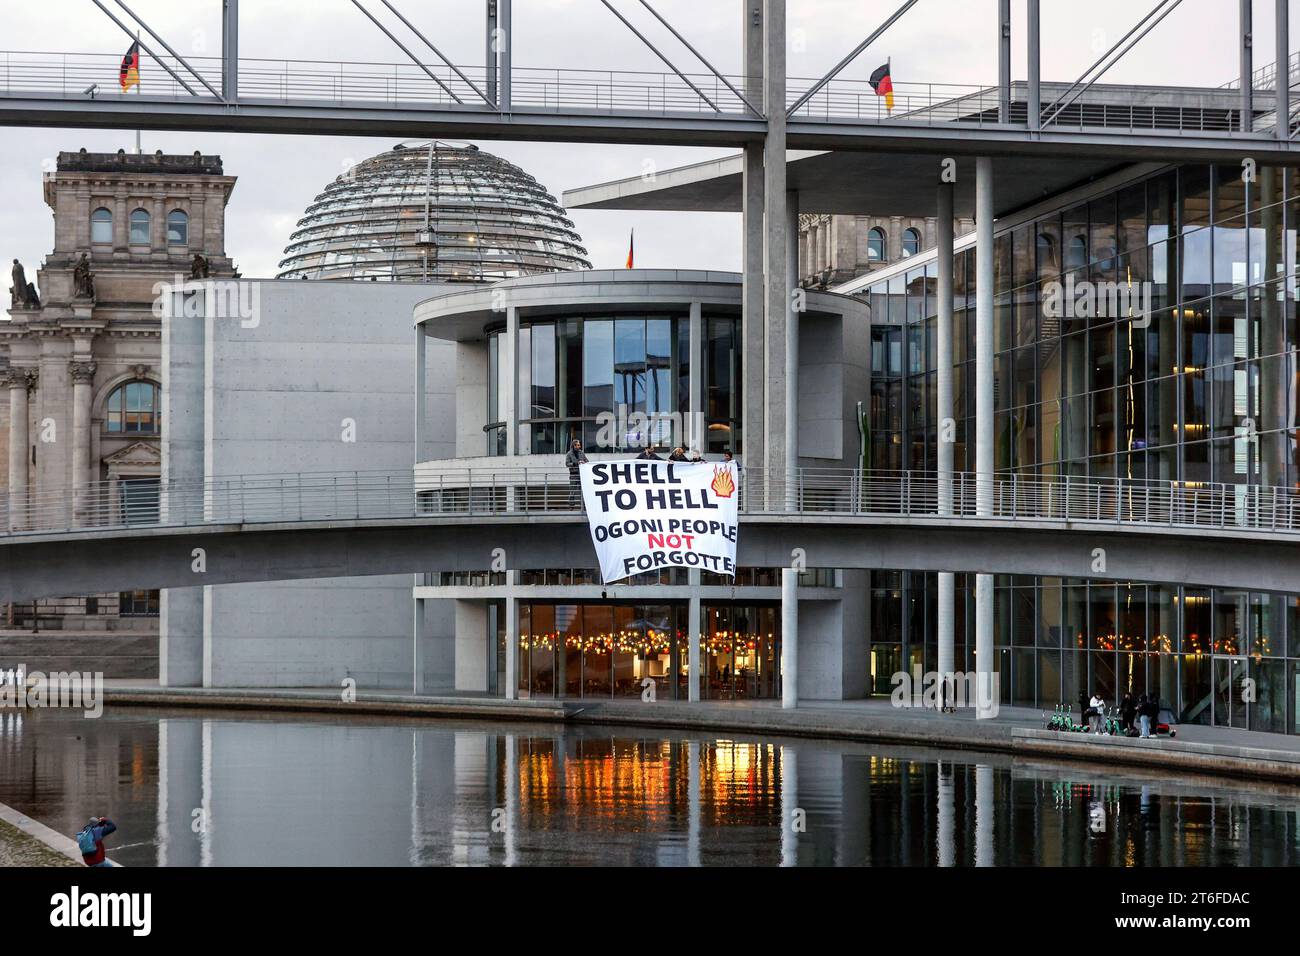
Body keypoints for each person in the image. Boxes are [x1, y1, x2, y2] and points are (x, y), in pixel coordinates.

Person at [565, 439, 588, 508]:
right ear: (574, 445)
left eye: (579, 445)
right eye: (578, 445)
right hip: (573, 474)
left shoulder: (581, 453)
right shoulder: (569, 454)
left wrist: (584, 462)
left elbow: (587, 460)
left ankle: (584, 506)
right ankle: (571, 506)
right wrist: (575, 463)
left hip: (581, 474)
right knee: (572, 491)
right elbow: (567, 464)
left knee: (582, 490)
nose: (579, 446)